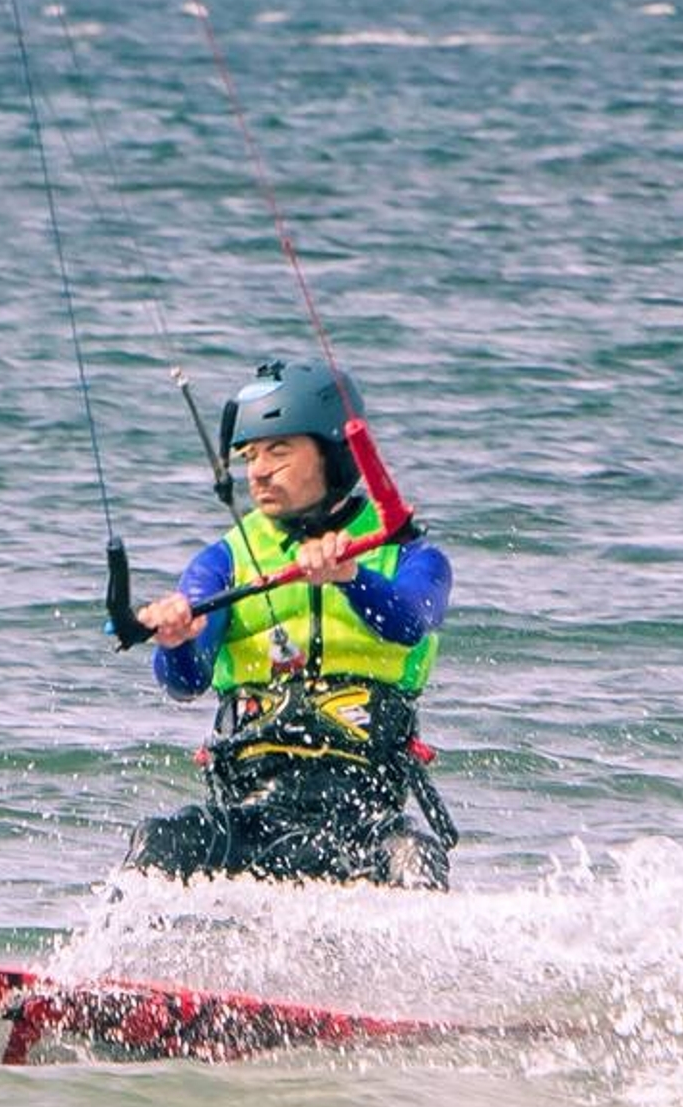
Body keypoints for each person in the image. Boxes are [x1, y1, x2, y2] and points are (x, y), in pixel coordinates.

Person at [125, 358, 458, 888]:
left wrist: (349, 575)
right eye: (250, 455)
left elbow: (409, 621)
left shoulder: (412, 556)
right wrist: (177, 641)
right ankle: (95, 971)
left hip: (363, 821)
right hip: (249, 817)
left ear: (332, 453)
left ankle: (429, 970)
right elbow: (185, 682)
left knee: (415, 854)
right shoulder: (222, 562)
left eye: (278, 451)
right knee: (159, 839)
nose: (257, 471)